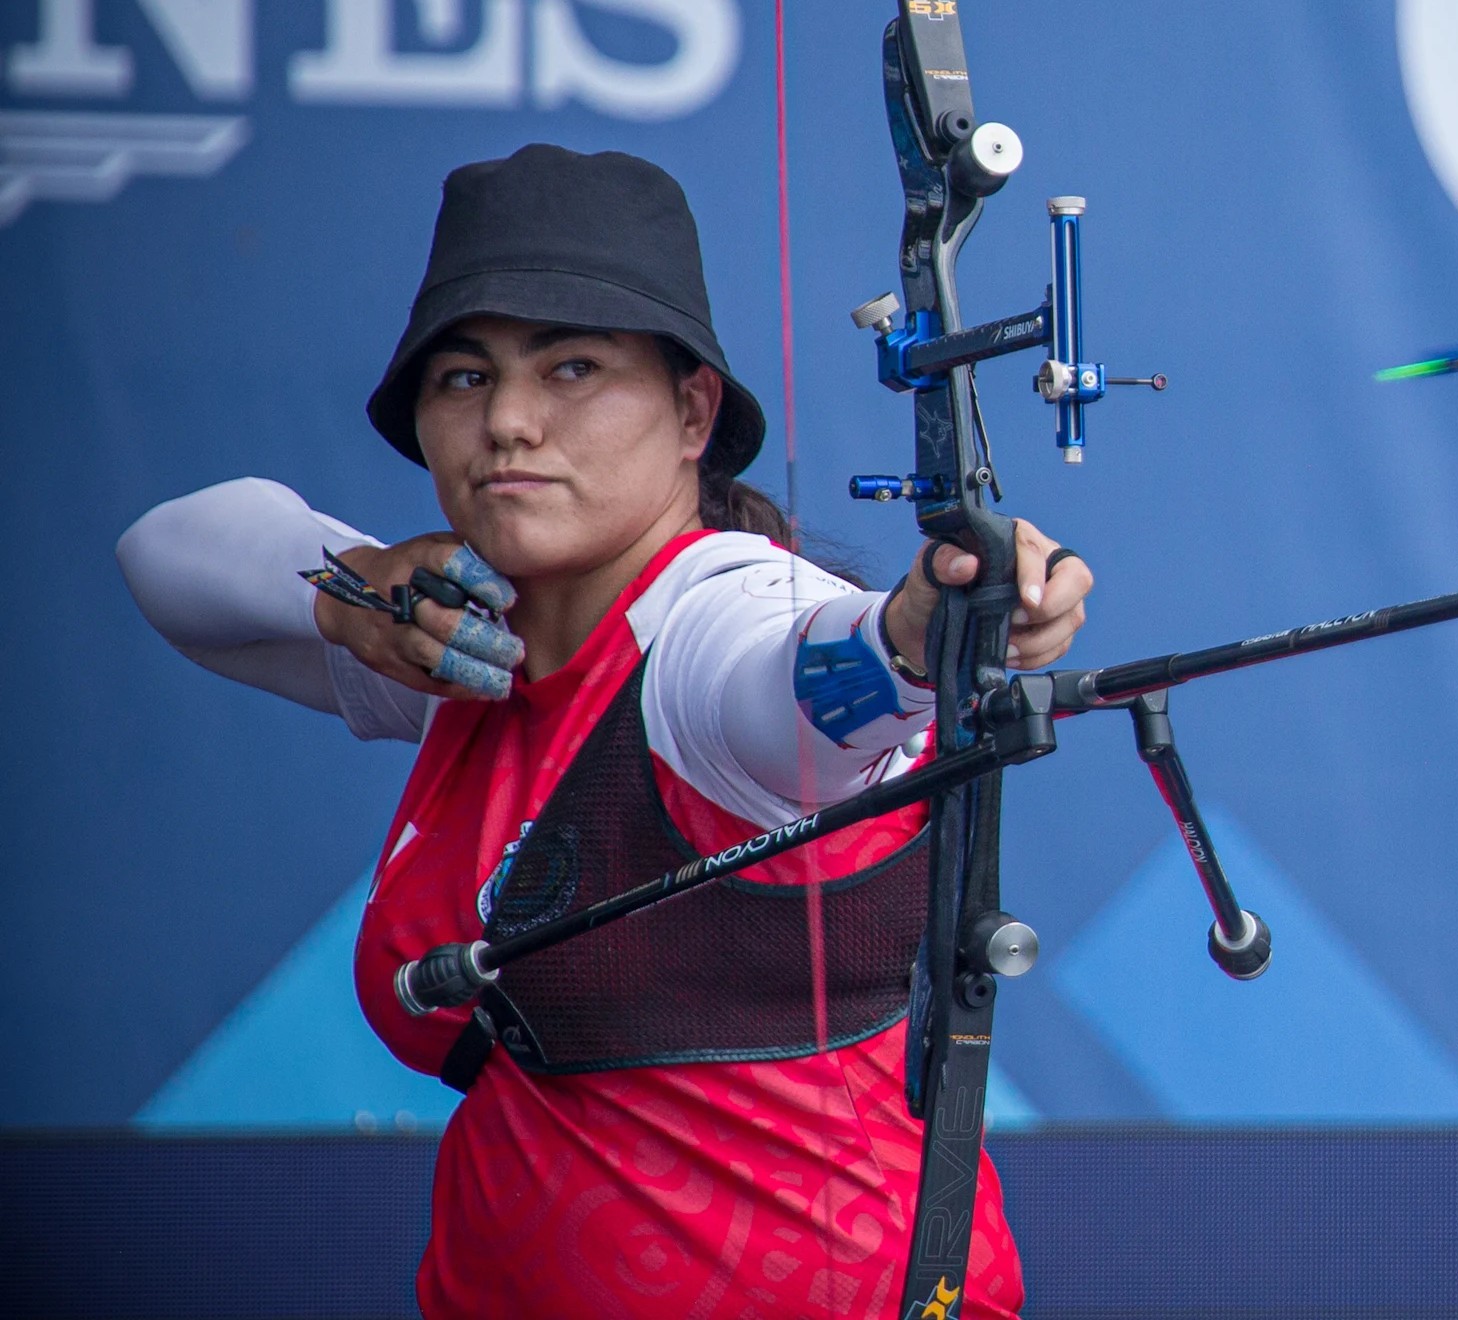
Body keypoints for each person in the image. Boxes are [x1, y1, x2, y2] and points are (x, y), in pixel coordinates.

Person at [117, 144, 1092, 1318]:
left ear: (692, 412)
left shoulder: (716, 625)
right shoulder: (463, 639)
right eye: (464, 379)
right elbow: (166, 557)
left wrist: (917, 635)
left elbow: (809, 682)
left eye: (572, 368)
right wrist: (351, 590)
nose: (511, 423)